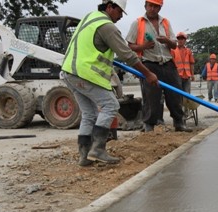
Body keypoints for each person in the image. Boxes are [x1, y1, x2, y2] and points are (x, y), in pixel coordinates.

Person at [61, 0, 158, 166]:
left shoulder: (90, 18)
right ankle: (98, 149)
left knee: (89, 114)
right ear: (110, 7)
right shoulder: (107, 26)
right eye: (119, 11)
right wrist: (148, 74)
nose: (120, 16)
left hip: (69, 72)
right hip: (84, 73)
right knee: (111, 105)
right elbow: (128, 55)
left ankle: (84, 156)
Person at [126, 0, 192, 133]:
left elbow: (174, 45)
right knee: (151, 96)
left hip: (168, 63)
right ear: (145, 6)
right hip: (149, 63)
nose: (152, 8)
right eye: (150, 5)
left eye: (156, 6)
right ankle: (149, 125)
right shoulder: (137, 23)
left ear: (160, 8)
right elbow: (130, 45)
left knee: (175, 94)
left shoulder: (166, 22)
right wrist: (143, 46)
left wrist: (167, 40)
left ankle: (179, 122)